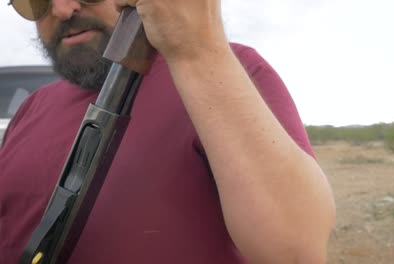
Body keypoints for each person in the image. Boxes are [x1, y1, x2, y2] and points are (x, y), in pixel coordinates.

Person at [0, 0, 336, 263]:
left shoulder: (228, 74)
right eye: (36, 1)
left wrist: (197, 52)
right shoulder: (33, 105)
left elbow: (296, 251)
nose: (62, 8)